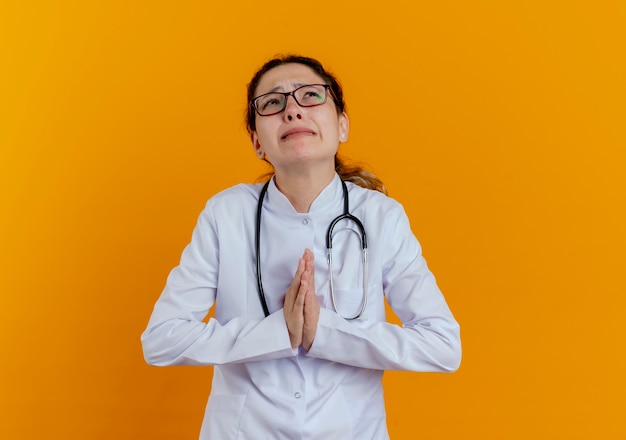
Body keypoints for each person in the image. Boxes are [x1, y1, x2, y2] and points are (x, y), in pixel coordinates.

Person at [141, 54, 461, 439]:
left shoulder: (381, 218)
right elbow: (161, 340)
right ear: (258, 141)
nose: (292, 110)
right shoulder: (226, 213)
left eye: (310, 95)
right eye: (272, 103)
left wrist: (323, 333)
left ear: (341, 125)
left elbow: (443, 346)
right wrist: (276, 333)